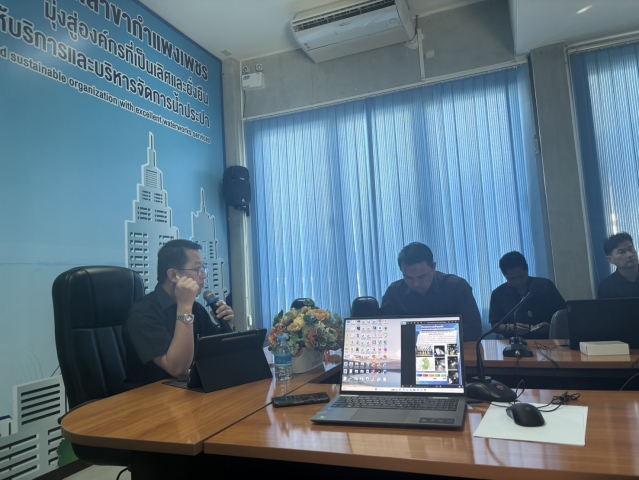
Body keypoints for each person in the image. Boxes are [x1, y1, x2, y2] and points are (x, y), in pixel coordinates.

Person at [123, 239, 235, 388]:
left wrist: (228, 326)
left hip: (190, 388)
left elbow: (219, 354)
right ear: (173, 275)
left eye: (203, 269)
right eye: (197, 269)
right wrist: (184, 308)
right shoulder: (142, 314)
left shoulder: (196, 308)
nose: (203, 276)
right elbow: (178, 369)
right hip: (152, 395)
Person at [380, 242, 482, 341]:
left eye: (421, 277)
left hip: (452, 348)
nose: (415, 284)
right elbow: (384, 331)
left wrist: (422, 334)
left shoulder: (456, 286)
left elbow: (474, 330)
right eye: (408, 278)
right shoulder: (394, 292)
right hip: (408, 350)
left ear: (433, 267)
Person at [489, 251, 566, 339]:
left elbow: (563, 315)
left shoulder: (544, 285)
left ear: (527, 269)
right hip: (513, 342)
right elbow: (495, 326)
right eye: (512, 278)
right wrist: (509, 327)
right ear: (504, 275)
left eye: (521, 276)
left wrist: (550, 326)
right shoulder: (498, 294)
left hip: (547, 340)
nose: (518, 281)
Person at [598, 232, 639, 299]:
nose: (630, 255)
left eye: (631, 249)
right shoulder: (607, 287)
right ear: (610, 260)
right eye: (622, 252)